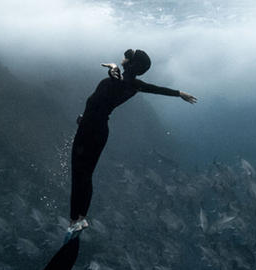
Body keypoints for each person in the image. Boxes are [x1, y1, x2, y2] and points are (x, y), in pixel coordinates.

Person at [66, 48, 196, 240]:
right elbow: (156, 89)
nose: (123, 58)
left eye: (127, 57)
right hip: (98, 129)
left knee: (79, 175)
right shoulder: (135, 85)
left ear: (130, 64)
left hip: (89, 131)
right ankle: (81, 219)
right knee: (86, 175)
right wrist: (179, 93)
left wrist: (113, 67)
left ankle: (73, 222)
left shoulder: (119, 80)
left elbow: (116, 78)